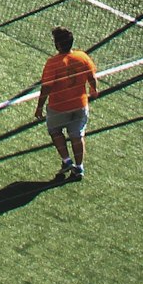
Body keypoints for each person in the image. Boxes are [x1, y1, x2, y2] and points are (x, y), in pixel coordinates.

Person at [34, 25, 98, 181]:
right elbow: (92, 77)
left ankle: (67, 160)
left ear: (58, 45)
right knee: (77, 135)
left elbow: (46, 87)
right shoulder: (82, 57)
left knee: (55, 132)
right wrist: (94, 91)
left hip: (58, 107)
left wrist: (40, 106)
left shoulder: (53, 62)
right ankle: (79, 168)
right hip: (80, 105)